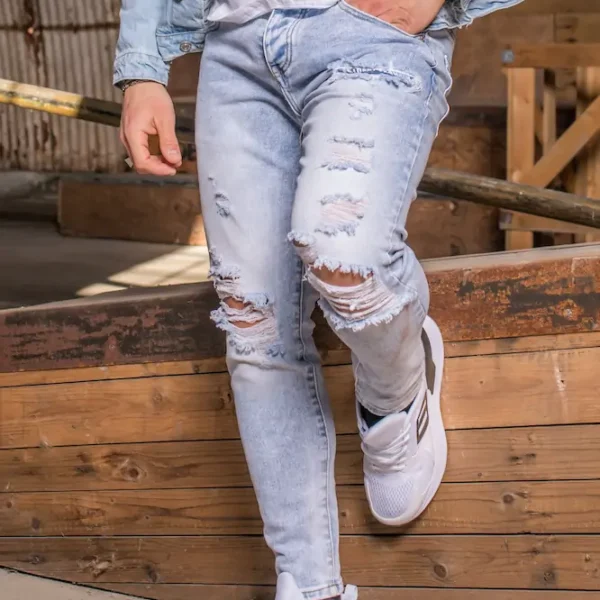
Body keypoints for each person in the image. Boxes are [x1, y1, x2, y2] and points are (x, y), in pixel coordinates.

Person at [115, 1, 522, 598]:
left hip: (367, 32)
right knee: (253, 319)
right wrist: (141, 67)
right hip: (236, 46)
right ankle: (308, 588)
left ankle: (393, 401)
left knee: (345, 259)